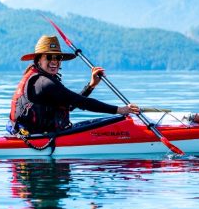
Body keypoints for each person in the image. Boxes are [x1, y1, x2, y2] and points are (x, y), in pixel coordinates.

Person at [9, 35, 140, 135]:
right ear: (39, 60)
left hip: (37, 134)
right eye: (49, 57)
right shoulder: (44, 83)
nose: (54, 61)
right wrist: (120, 110)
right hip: (37, 139)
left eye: (57, 58)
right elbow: (79, 102)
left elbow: (70, 105)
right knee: (115, 120)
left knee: (106, 122)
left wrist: (91, 85)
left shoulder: (42, 80)